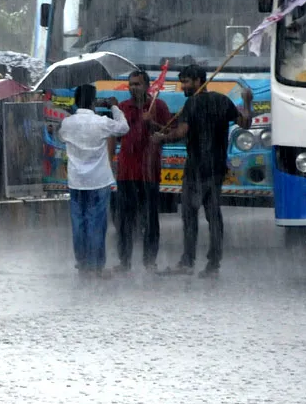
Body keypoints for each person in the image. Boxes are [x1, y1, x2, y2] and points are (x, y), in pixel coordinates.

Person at [152, 63, 252, 277]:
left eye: (186, 82)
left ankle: (188, 261)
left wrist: (162, 138)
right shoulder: (222, 101)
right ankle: (213, 264)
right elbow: (245, 123)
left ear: (199, 81)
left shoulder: (193, 103)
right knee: (213, 216)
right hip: (216, 169)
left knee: (189, 215)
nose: (182, 87)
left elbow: (181, 132)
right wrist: (247, 102)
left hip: (196, 168)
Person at [58, 84, 129, 272]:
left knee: (78, 222)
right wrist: (114, 107)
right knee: (96, 222)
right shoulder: (101, 122)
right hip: (98, 181)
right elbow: (124, 128)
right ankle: (96, 265)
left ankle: (82, 262)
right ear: (93, 102)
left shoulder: (67, 123)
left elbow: (62, 137)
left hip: (77, 182)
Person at [113, 69, 171, 271]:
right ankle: (124, 261)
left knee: (150, 218)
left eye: (137, 84)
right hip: (126, 171)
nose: (133, 88)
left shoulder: (159, 106)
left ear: (147, 86)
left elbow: (170, 133)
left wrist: (151, 123)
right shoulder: (122, 107)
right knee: (124, 219)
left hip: (149, 171)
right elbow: (116, 135)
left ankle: (149, 261)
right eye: (131, 84)